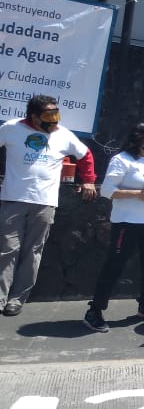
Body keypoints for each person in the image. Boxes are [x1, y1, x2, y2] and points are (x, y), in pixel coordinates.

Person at [0, 94, 97, 317]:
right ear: (34, 116)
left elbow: (85, 155)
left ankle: (17, 299)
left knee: (33, 251)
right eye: (48, 115)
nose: (54, 120)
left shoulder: (63, 134)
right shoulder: (11, 128)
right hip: (13, 199)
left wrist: (89, 179)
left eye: (56, 114)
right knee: (7, 249)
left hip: (44, 202)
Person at [83, 123, 144, 333]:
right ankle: (94, 311)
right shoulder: (122, 160)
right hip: (127, 222)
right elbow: (107, 190)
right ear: (138, 139)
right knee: (115, 266)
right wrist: (137, 194)